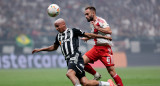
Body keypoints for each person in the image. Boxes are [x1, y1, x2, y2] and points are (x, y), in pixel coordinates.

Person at [32, 18, 116, 86]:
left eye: (57, 26)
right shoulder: (58, 36)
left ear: (63, 24)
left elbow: (88, 35)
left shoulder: (73, 31)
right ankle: (108, 84)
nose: (56, 28)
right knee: (85, 83)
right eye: (55, 27)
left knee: (69, 74)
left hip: (75, 56)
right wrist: (40, 49)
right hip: (69, 60)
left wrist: (103, 37)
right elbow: (54, 47)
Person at [81, 6, 123, 86]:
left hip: (105, 49)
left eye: (87, 14)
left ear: (93, 13)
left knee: (111, 72)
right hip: (96, 48)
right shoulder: (91, 23)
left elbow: (109, 31)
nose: (86, 16)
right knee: (80, 62)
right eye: (85, 14)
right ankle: (96, 74)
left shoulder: (101, 21)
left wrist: (98, 28)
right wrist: (88, 38)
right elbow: (96, 34)